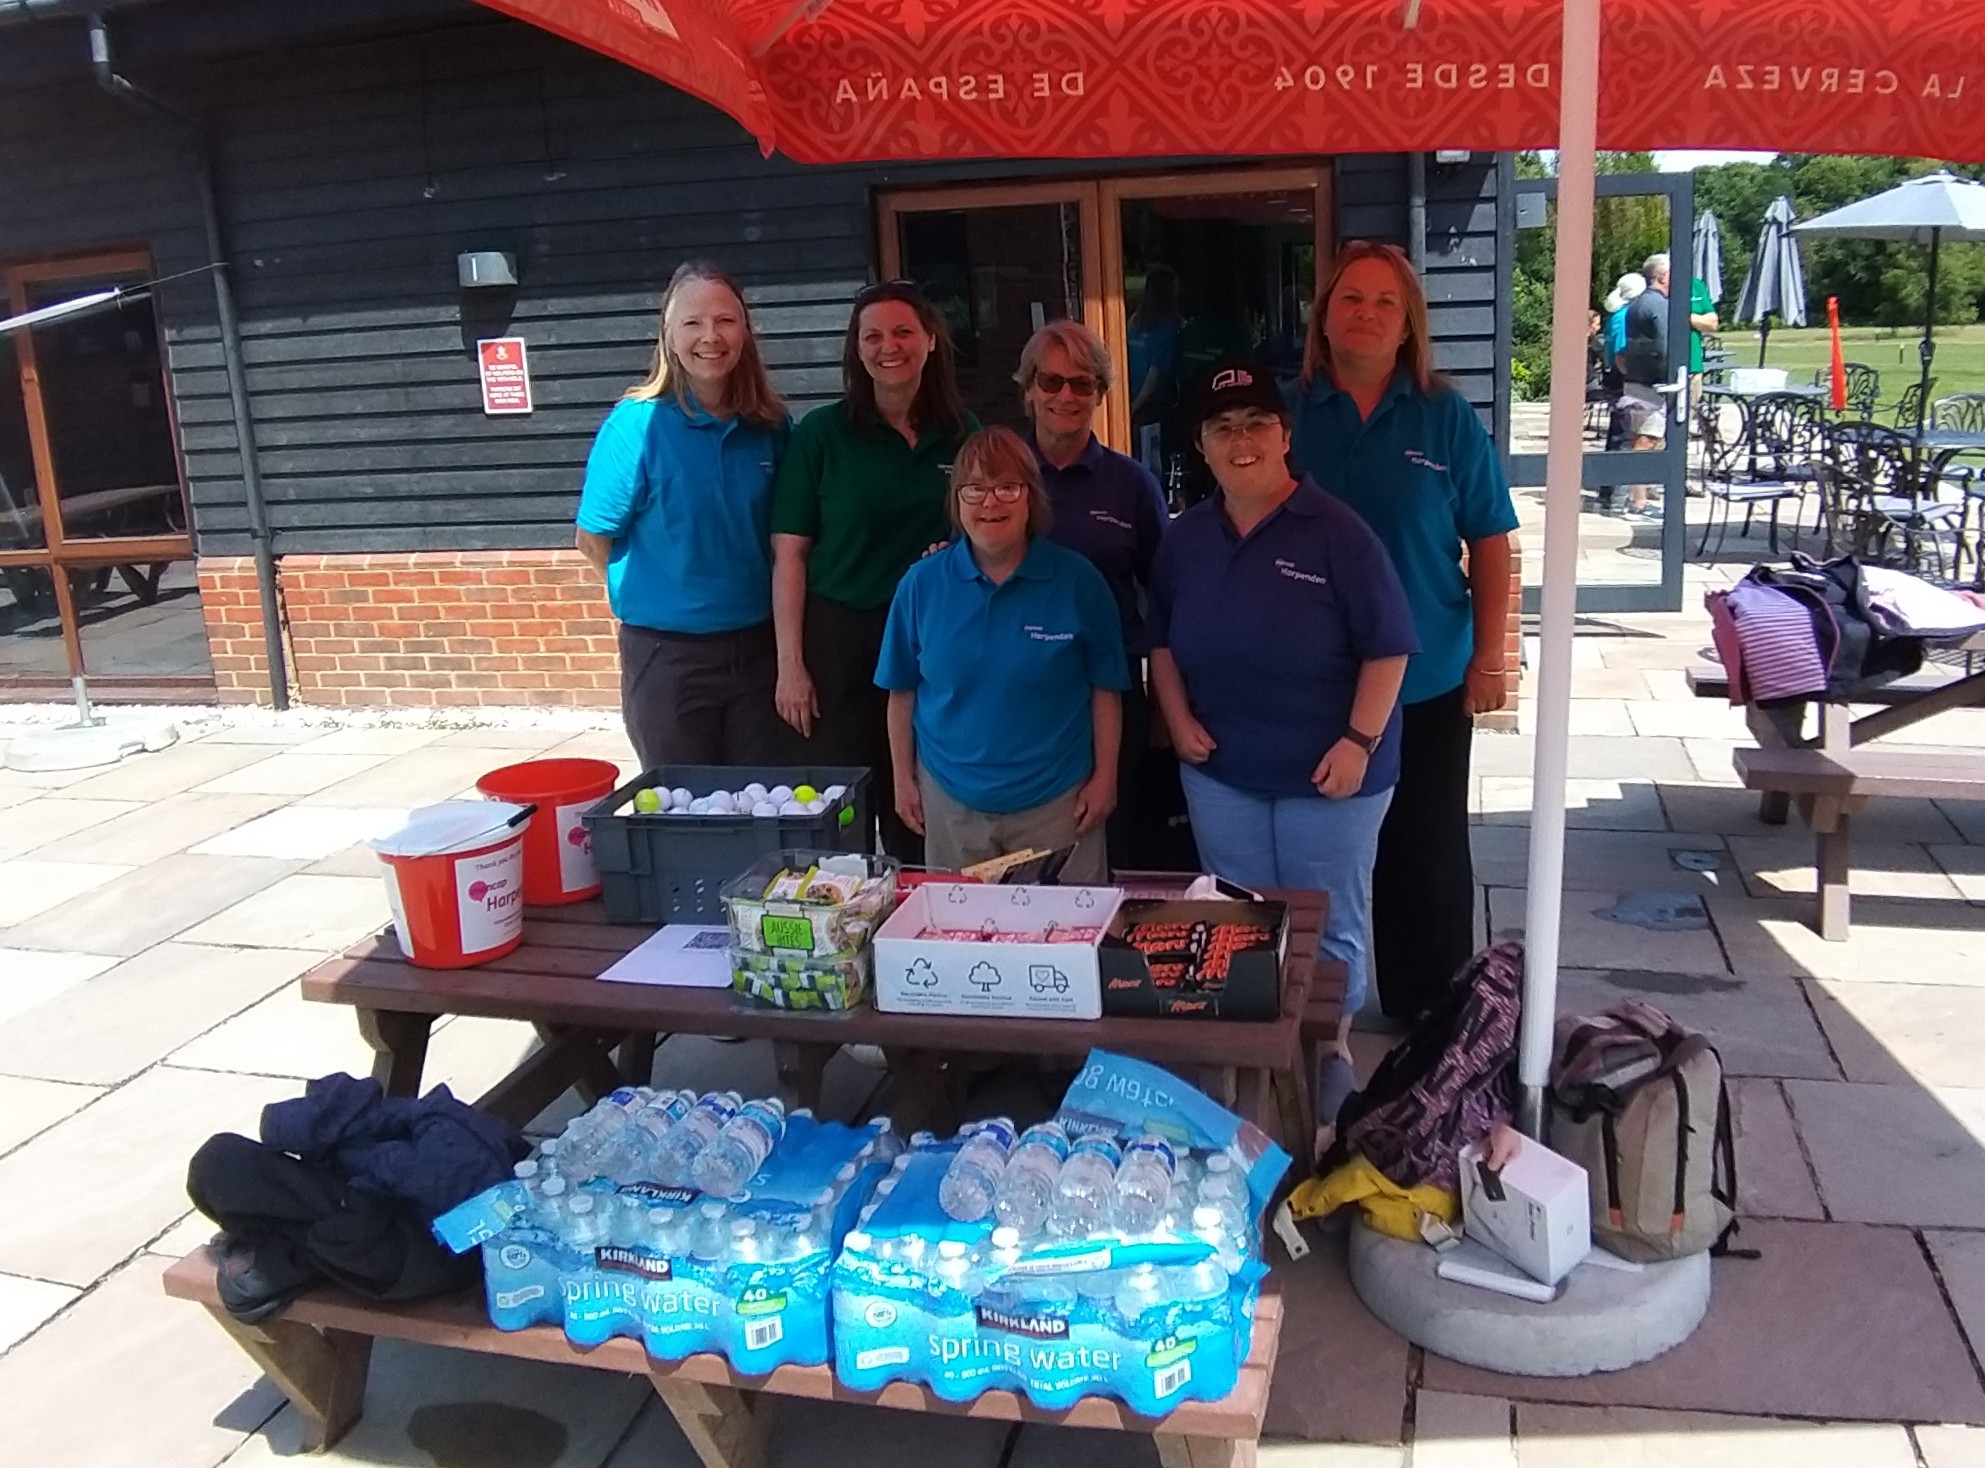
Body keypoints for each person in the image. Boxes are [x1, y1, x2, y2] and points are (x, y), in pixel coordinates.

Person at [1150, 359, 1418, 1051]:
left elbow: (1388, 648)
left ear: (1284, 433)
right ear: (1201, 445)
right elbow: (1160, 644)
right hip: (1221, 776)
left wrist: (1358, 742)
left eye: (1256, 424)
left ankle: (1325, 1076)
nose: (1242, 441)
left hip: (1327, 777)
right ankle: (1259, 1073)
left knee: (1327, 931)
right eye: (1222, 428)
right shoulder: (1182, 539)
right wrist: (1177, 720)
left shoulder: (1338, 533)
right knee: (1241, 926)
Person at [1287, 240, 1518, 1028]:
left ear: (1409, 324)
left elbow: (1490, 539)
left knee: (1426, 853)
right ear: (1323, 318)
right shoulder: (1287, 417)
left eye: (1386, 302)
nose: (1367, 314)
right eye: (1350, 298)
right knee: (1330, 854)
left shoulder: (1443, 417)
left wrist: (1491, 658)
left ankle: (1432, 1016)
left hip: (1426, 675)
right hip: (1316, 681)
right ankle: (1318, 1007)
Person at [771, 281, 977, 858]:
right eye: (873, 336)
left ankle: (915, 932)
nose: (890, 346)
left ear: (930, 341)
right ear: (857, 350)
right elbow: (790, 554)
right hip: (839, 639)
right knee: (840, 807)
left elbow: (992, 532)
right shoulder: (821, 435)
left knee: (914, 802)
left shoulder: (963, 433)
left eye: (904, 331)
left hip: (925, 640)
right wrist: (790, 666)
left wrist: (957, 553)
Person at [876, 426, 1129, 882]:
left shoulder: (1078, 583)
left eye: (1007, 488)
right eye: (974, 489)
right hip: (953, 808)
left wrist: (1105, 777)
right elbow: (902, 692)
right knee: (963, 942)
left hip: (1058, 807)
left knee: (1065, 941)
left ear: (1031, 497)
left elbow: (1106, 689)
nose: (990, 503)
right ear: (956, 502)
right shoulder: (921, 585)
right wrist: (903, 780)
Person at [575, 260, 790, 768]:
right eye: (692, 323)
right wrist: (664, 592)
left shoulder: (772, 428)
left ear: (745, 331)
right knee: (683, 816)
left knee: (763, 809)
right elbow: (592, 540)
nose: (709, 337)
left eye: (725, 320)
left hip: (759, 653)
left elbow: (787, 540)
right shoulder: (635, 427)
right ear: (668, 336)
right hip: (669, 660)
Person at [1014, 320, 1170, 870]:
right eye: (1052, 382)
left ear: (1101, 395)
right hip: (1018, 695)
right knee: (1023, 855)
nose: (1066, 396)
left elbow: (1165, 596)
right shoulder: (998, 478)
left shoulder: (1131, 486)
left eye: (1083, 384)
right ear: (1029, 389)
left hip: (1111, 691)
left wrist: (1165, 703)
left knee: (1108, 847)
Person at [1616, 251, 1674, 519]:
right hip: (1653, 384)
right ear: (1662, 276)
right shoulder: (1659, 305)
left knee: (1639, 438)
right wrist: (1672, 374)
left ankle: (1636, 495)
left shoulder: (1635, 305)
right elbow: (1665, 344)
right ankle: (1638, 502)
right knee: (1646, 440)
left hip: (1635, 380)